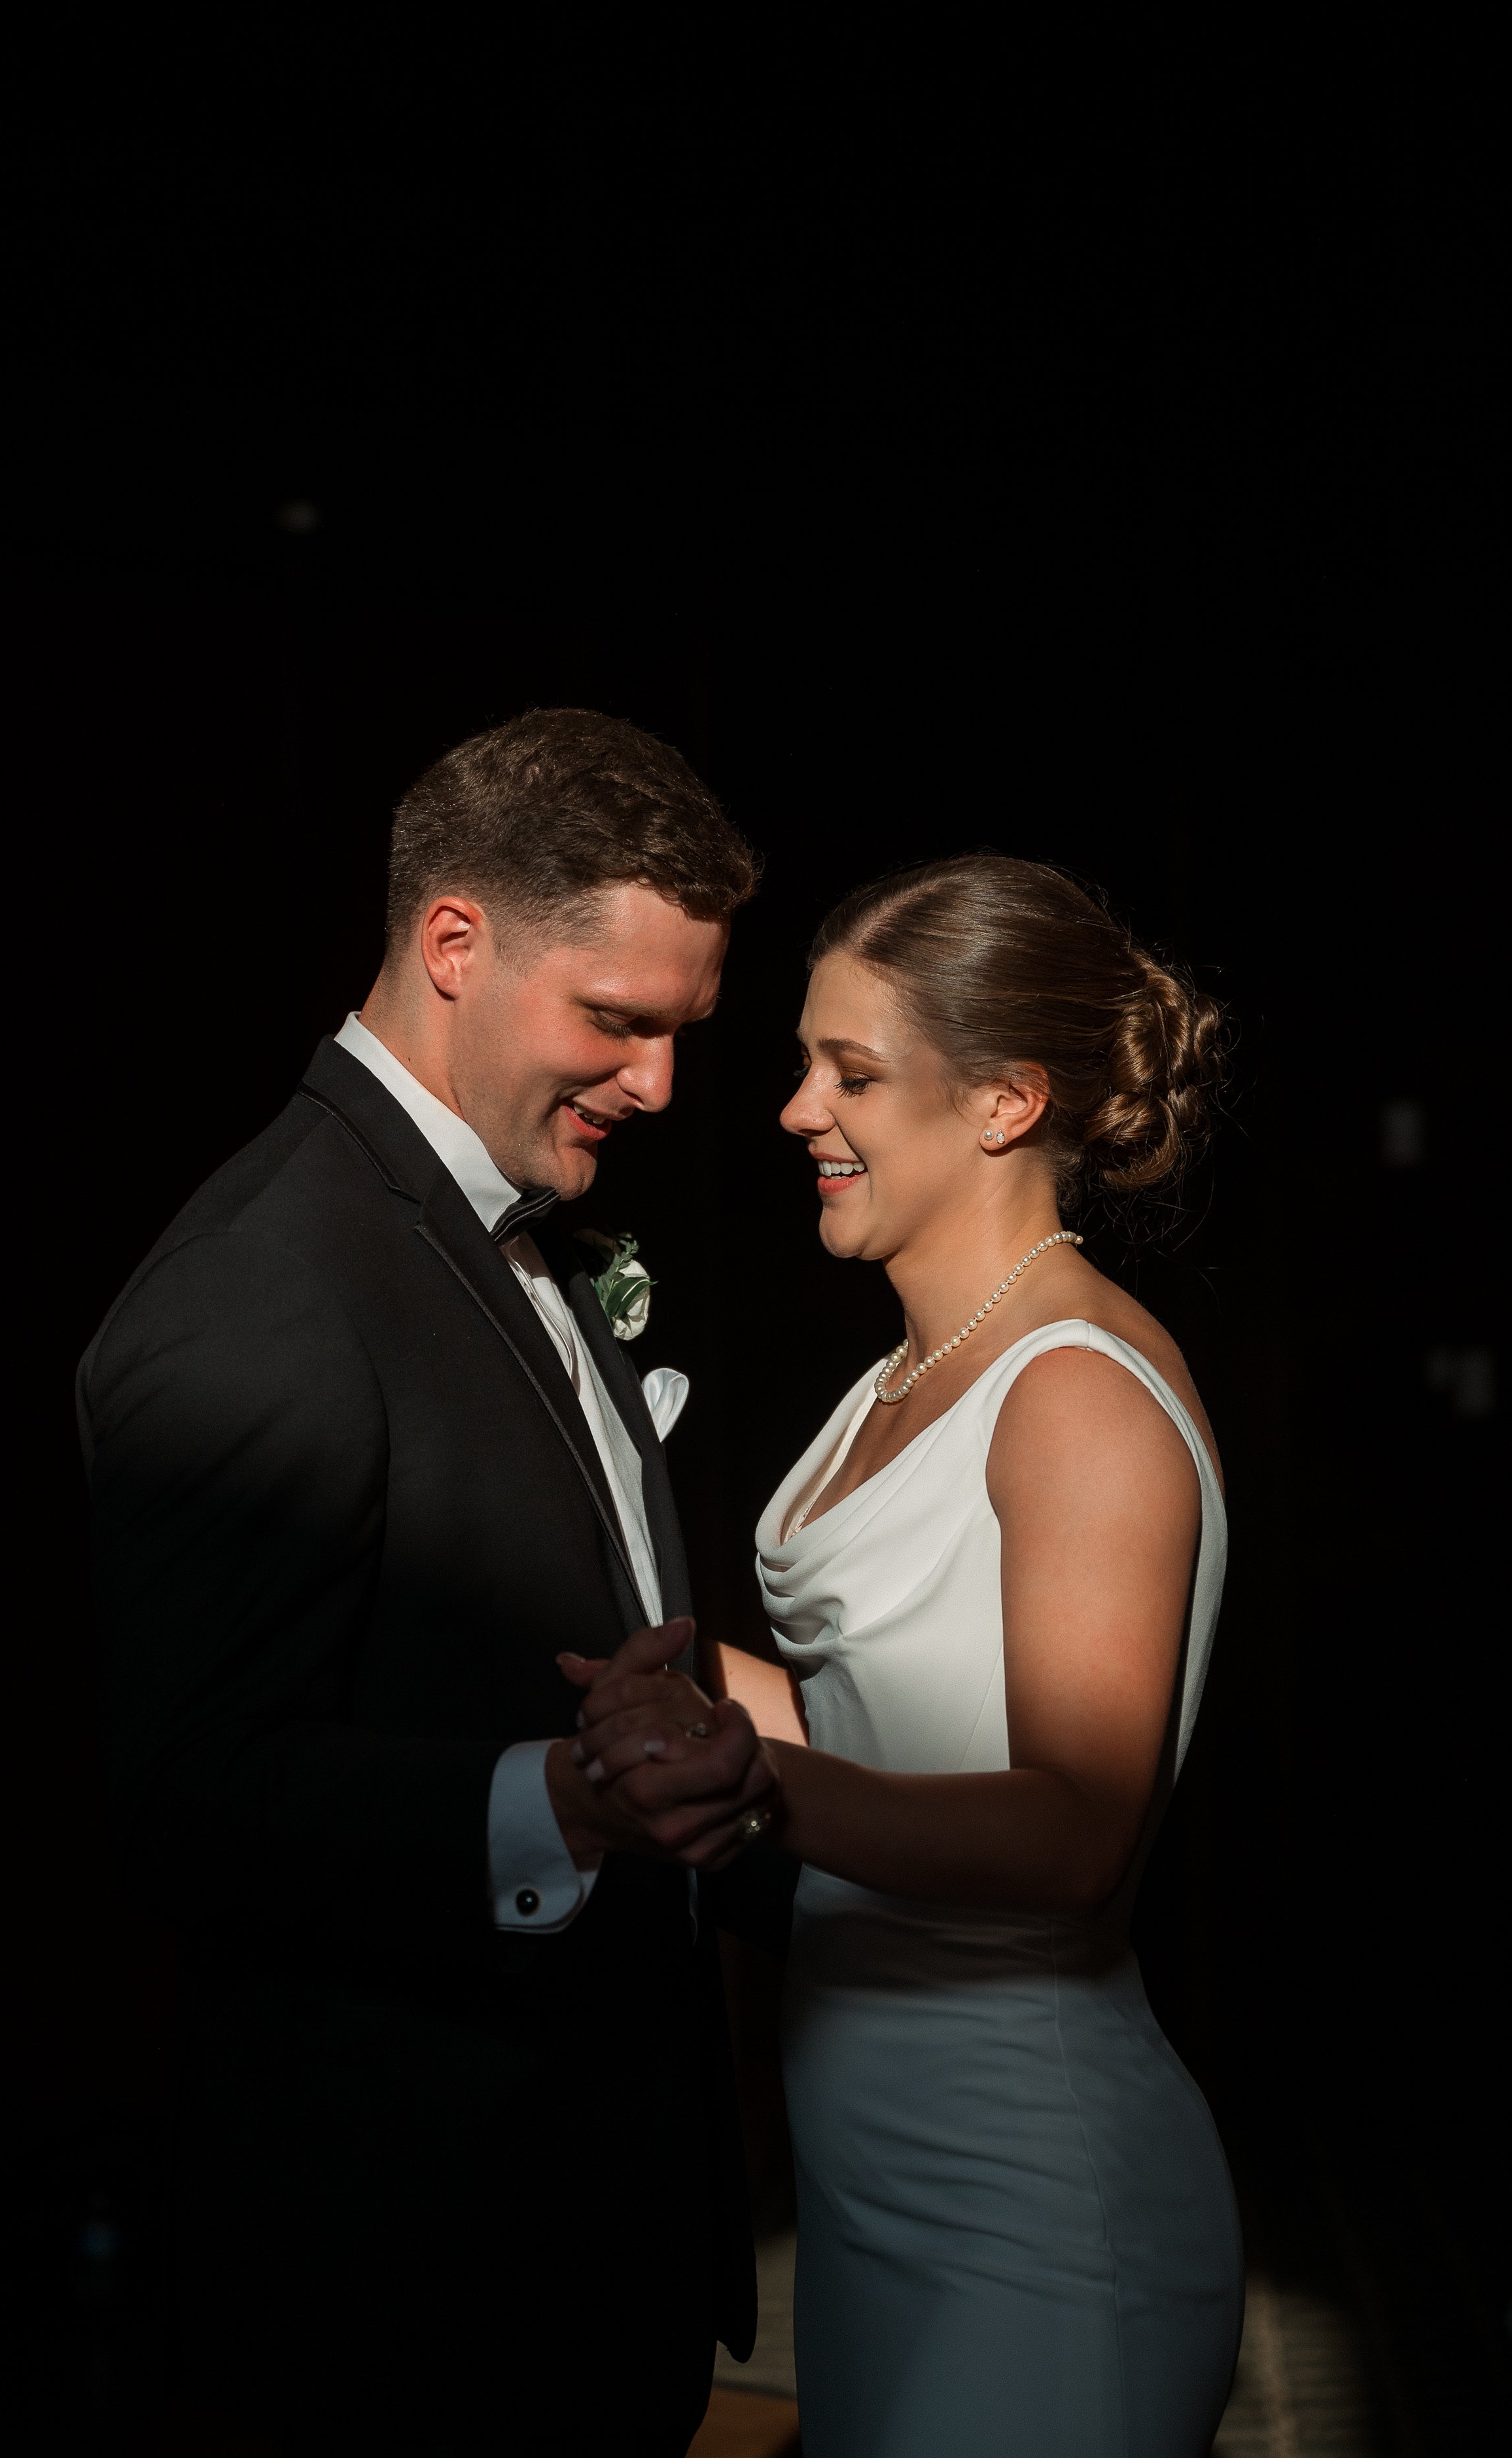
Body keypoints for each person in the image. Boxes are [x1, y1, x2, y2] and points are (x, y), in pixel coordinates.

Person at [77, 710, 782, 2455]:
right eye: (616, 1022)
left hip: (583, 2227)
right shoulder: (265, 1279)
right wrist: (559, 1795)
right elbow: (186, 1794)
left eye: (678, 1030)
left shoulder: (511, 1220)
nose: (658, 1085)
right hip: (405, 2287)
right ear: (452, 944)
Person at [572, 854, 1243, 2455]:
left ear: (1005, 1102)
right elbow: (880, 1717)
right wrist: (665, 1679)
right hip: (871, 2199)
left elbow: (1075, 1831)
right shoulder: (903, 1372)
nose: (797, 1108)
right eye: (808, 1062)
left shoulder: (1072, 1388)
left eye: (850, 1073)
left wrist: (757, 1789)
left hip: (1034, 2205)